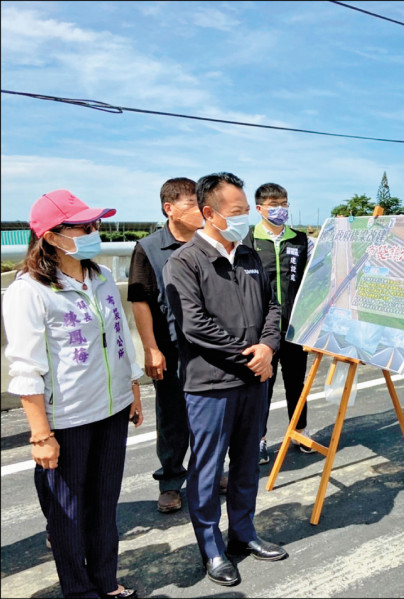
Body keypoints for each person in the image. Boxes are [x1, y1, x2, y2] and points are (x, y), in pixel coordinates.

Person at [3, 189, 144, 599]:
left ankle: (105, 580)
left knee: (104, 506)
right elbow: (26, 368)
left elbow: (118, 337)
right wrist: (41, 434)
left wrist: (131, 389)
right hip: (66, 421)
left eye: (94, 225)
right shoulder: (29, 291)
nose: (93, 232)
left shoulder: (98, 277)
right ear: (50, 235)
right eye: (83, 226)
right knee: (67, 516)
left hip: (111, 410)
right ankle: (79, 591)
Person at [163, 172, 287, 587]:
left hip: (255, 380)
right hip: (212, 384)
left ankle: (244, 533)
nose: (244, 218)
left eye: (246, 211)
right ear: (209, 213)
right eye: (237, 212)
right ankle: (210, 546)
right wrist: (249, 356)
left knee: (248, 461)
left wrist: (268, 348)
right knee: (207, 468)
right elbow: (194, 326)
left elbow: (272, 307)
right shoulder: (184, 262)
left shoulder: (250, 256)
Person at [128, 177, 209, 514]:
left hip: (208, 348)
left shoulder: (210, 243)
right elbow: (140, 300)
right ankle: (171, 481)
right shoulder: (148, 248)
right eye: (192, 205)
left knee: (209, 415)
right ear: (170, 209)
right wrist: (151, 349)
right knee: (173, 417)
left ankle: (209, 473)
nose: (200, 212)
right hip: (171, 347)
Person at [244, 182, 314, 464]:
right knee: (262, 385)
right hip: (261, 330)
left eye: (284, 204)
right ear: (260, 209)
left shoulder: (301, 240)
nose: (280, 210)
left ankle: (300, 430)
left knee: (297, 383)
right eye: (274, 206)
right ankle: (258, 439)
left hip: (296, 326)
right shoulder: (247, 241)